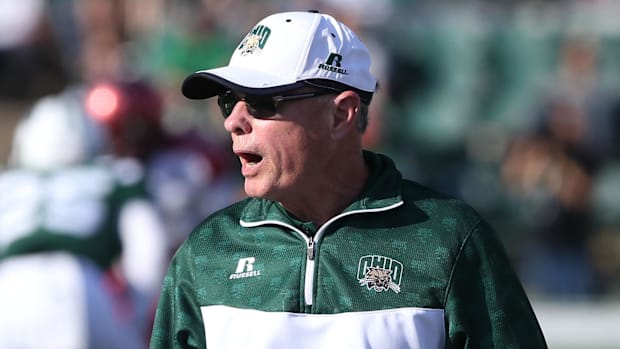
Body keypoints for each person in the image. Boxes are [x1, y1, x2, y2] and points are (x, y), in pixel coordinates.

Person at [149, 10, 547, 349]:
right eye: (227, 102)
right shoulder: (205, 252)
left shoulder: (451, 241)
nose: (234, 121)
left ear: (342, 114)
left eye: (261, 101)